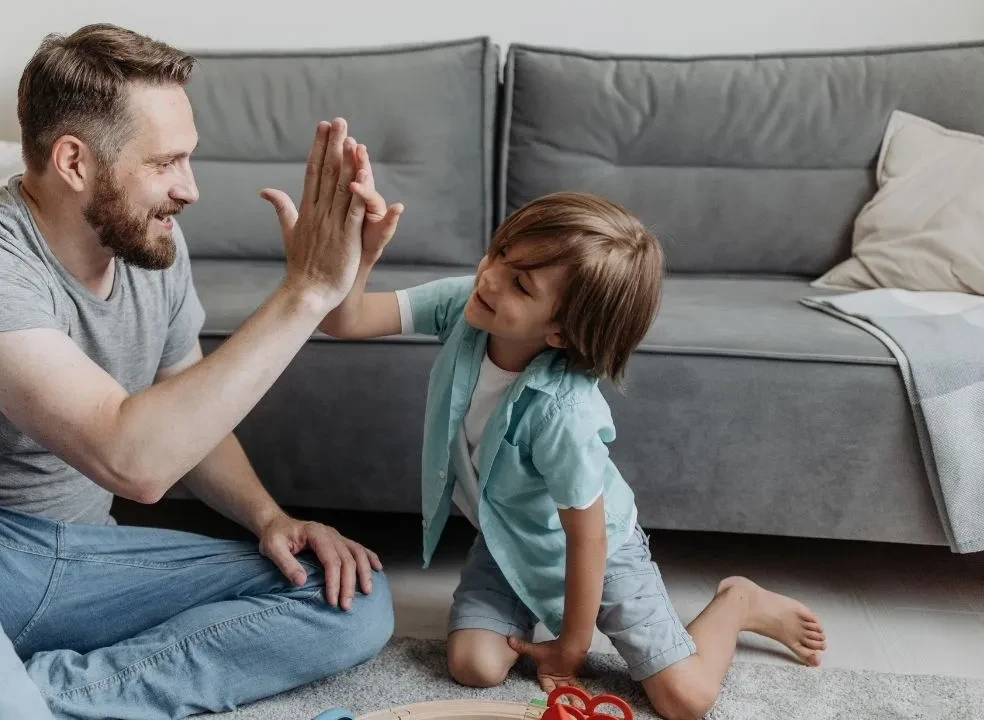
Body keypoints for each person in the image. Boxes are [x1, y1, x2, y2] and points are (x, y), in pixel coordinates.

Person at [0, 23, 402, 720]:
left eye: (188, 160)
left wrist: (270, 518)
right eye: (165, 163)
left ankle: (43, 696)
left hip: (85, 566)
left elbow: (184, 414)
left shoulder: (154, 245)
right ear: (74, 162)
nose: (188, 189)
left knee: (349, 592)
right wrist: (306, 292)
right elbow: (132, 459)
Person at [317, 191, 829, 720]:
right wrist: (365, 253)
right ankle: (526, 609)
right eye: (500, 254)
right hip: (507, 541)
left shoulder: (564, 412)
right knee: (474, 666)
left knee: (686, 700)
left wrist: (571, 645)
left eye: (520, 283)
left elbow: (587, 539)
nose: (489, 276)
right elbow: (341, 319)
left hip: (601, 556)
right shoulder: (466, 304)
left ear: (560, 331)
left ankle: (737, 602)